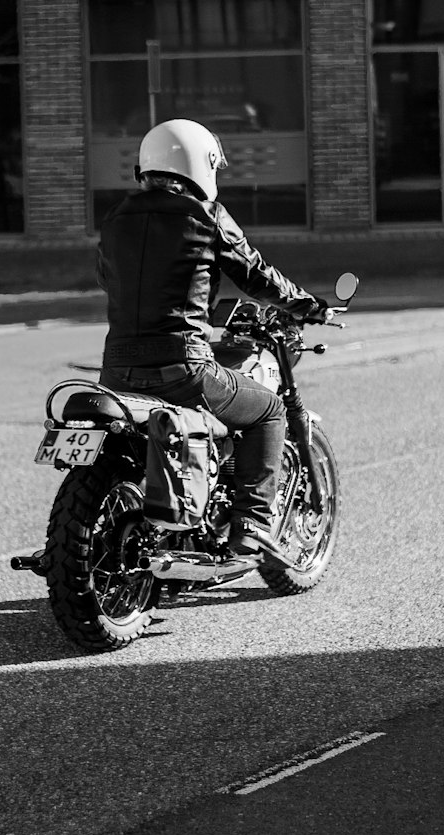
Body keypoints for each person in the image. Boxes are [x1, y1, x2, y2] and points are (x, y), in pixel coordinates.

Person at [96, 118, 328, 559]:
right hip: (183, 369)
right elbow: (256, 275)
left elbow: (110, 279)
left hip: (118, 371)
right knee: (269, 409)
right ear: (201, 165)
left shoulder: (115, 219)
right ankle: (254, 524)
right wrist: (305, 304)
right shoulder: (205, 216)